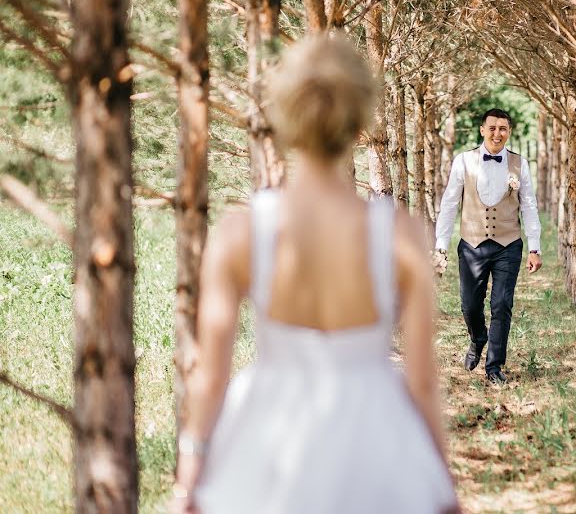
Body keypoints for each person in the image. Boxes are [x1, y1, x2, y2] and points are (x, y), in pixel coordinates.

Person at [172, 35, 457, 513]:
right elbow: (424, 382)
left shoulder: (241, 234)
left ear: (284, 112)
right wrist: (442, 484)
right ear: (361, 118)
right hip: (379, 447)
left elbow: (211, 376)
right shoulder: (402, 237)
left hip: (267, 446)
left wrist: (189, 477)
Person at [433, 109, 542, 385]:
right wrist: (441, 246)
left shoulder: (520, 164)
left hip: (509, 245)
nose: (497, 133)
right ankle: (478, 337)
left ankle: (494, 367)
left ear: (509, 131)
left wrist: (534, 247)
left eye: (503, 128)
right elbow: (449, 204)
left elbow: (529, 205)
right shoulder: (463, 161)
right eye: (492, 128)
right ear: (482, 130)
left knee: (502, 304)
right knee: (470, 306)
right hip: (472, 245)